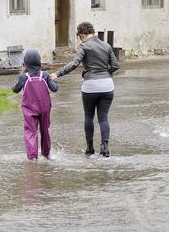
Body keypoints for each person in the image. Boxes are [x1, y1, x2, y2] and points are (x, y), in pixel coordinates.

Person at [51, 22, 119, 157]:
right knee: (103, 118)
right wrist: (106, 74)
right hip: (107, 85)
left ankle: (90, 148)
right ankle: (105, 148)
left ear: (82, 34)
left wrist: (57, 74)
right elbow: (115, 65)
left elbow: (75, 63)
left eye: (79, 37)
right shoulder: (106, 45)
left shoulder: (84, 46)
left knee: (89, 116)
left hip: (90, 86)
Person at [13, 49, 59, 160]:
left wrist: (16, 85)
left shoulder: (24, 77)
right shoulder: (45, 75)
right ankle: (46, 154)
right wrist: (55, 81)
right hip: (45, 108)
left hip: (29, 109)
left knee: (31, 132)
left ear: (26, 62)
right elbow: (55, 89)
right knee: (45, 130)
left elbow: (15, 90)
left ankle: (32, 158)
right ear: (39, 61)